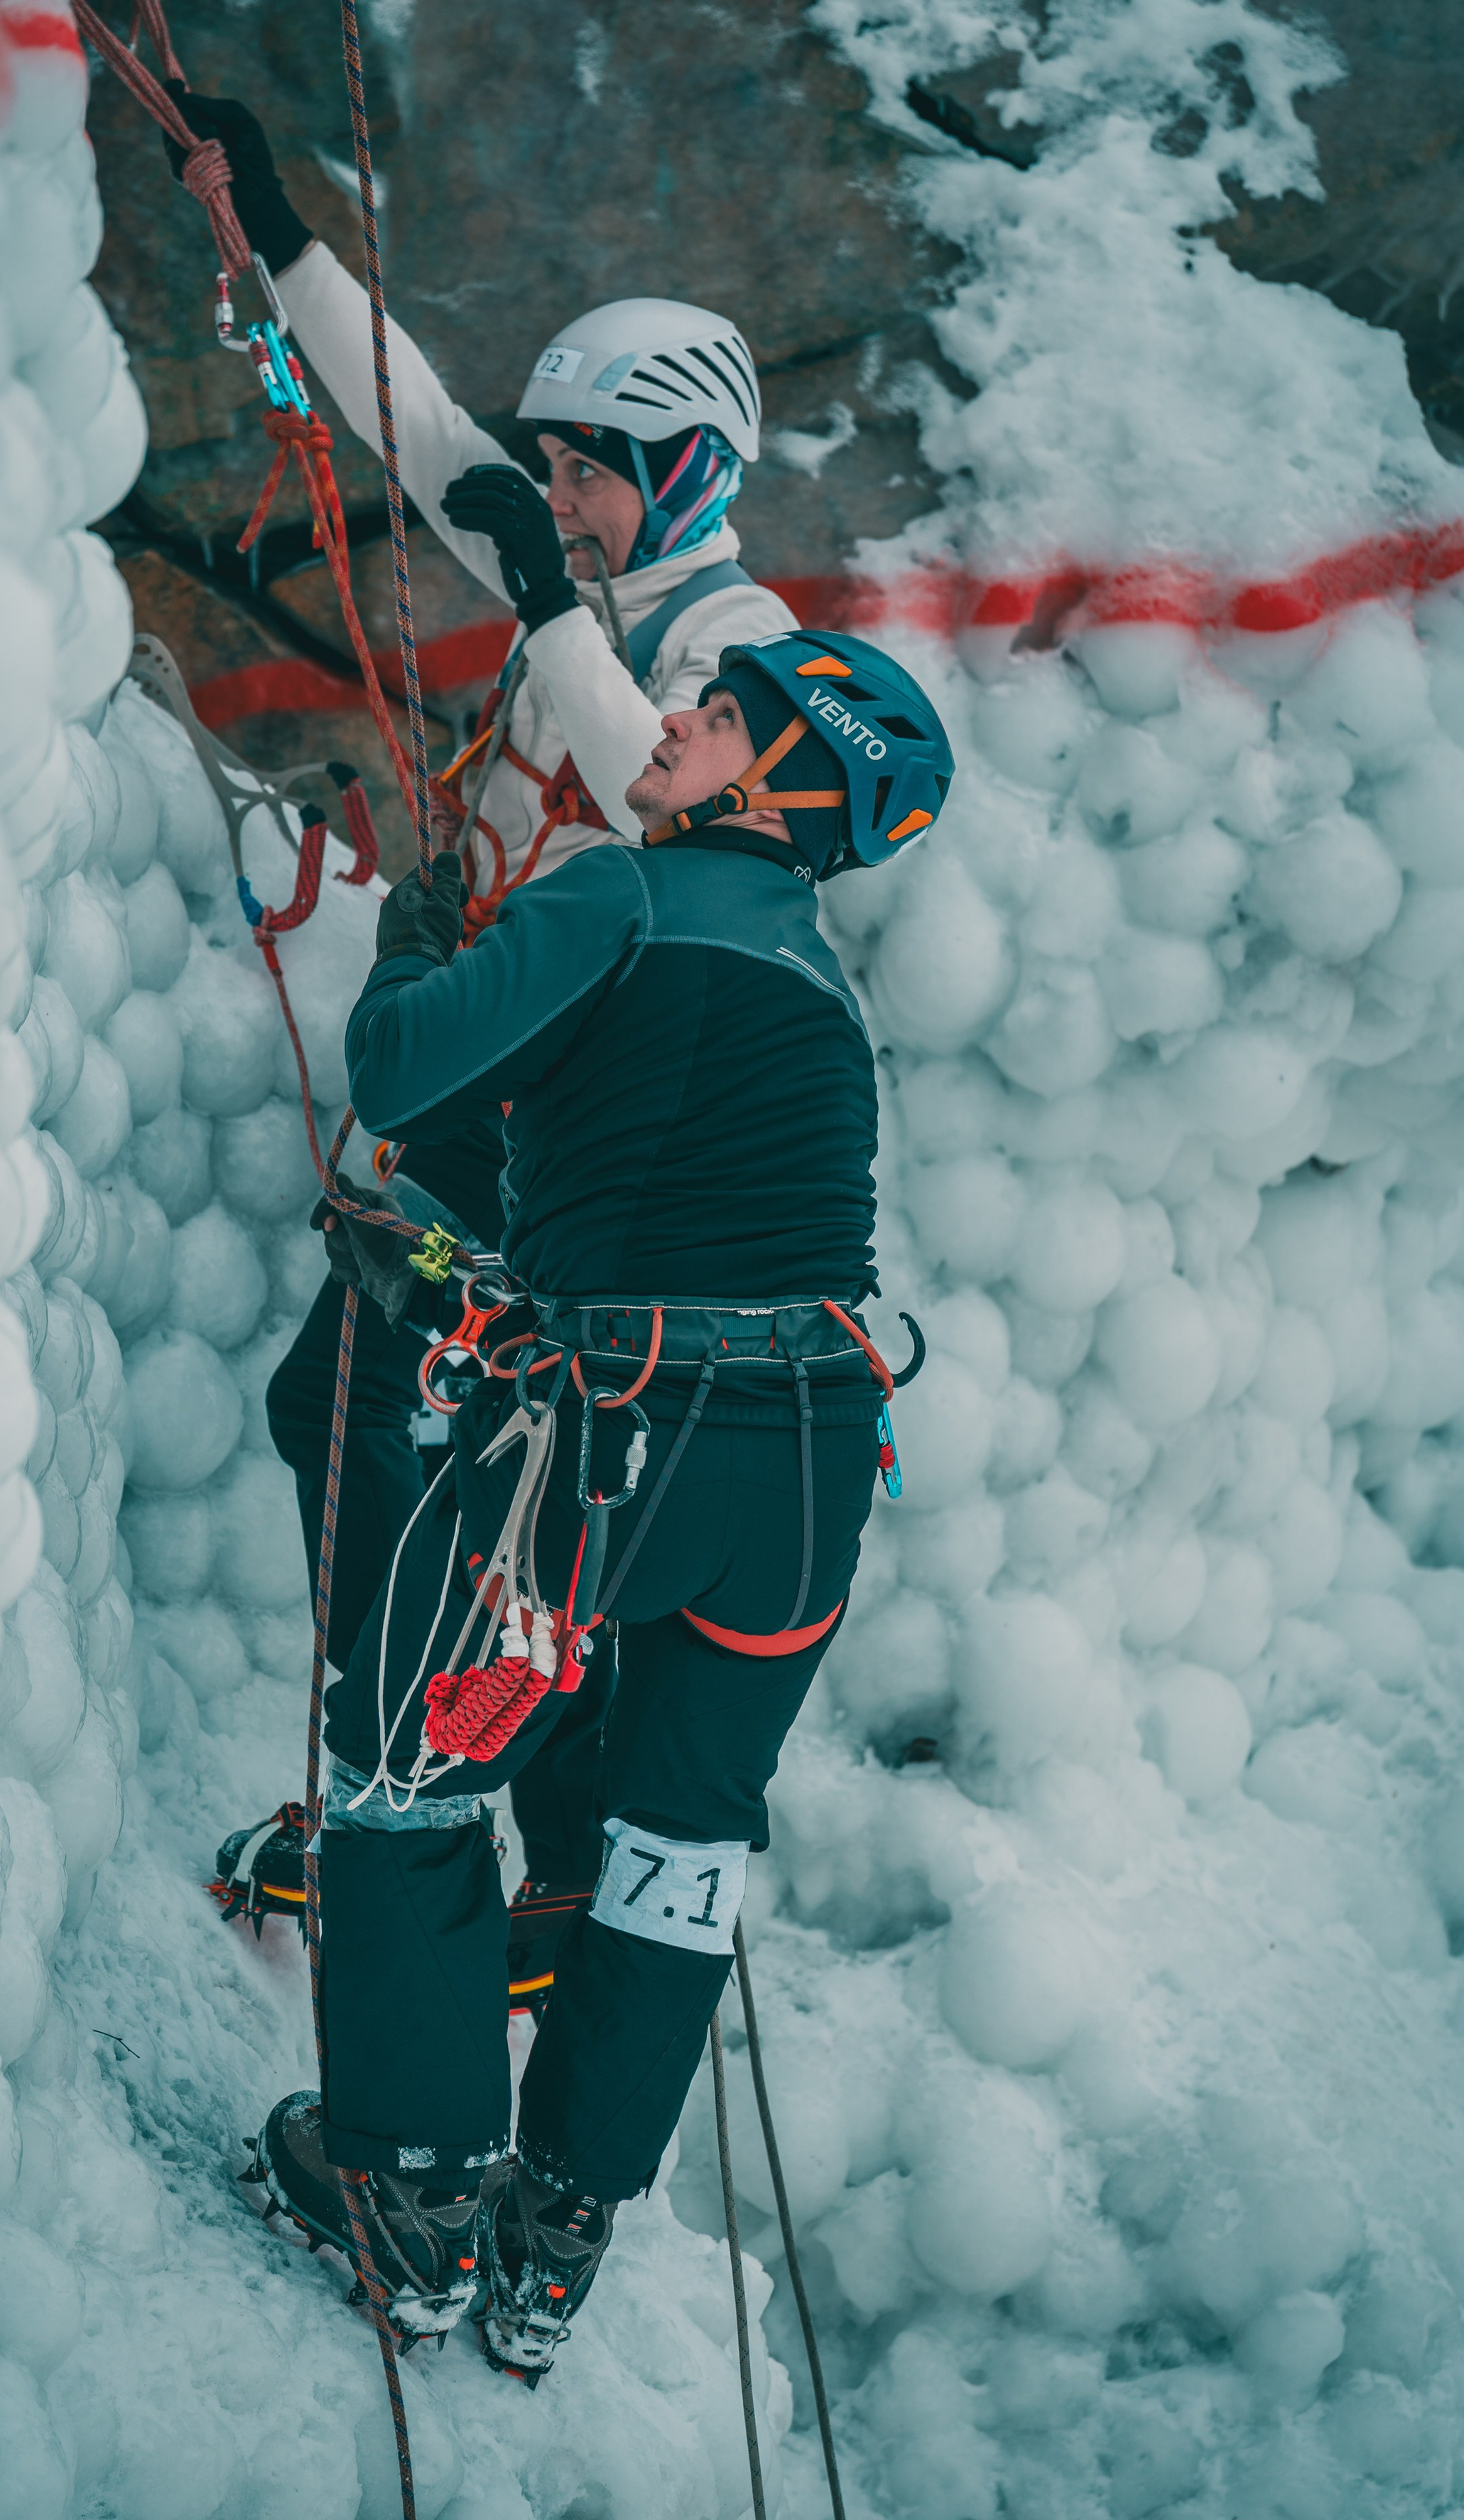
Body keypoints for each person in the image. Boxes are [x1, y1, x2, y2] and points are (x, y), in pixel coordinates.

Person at [234, 625, 953, 2379]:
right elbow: (674, 1191)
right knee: (679, 1847)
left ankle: (409, 2196)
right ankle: (555, 2234)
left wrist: (410, 955)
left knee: (404, 1774)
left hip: (612, 1449)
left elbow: (402, 1078)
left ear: (777, 778)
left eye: (718, 716)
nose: (677, 722)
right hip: (804, 1472)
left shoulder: (624, 893)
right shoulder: (814, 980)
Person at [166, 88, 802, 1953]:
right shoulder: (579, 586)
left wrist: (539, 598)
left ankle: (460, 1833)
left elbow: (677, 808)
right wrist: (280, 230)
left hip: (586, 1129)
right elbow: (428, 430)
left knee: (494, 1471)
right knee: (384, 1429)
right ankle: (436, 1806)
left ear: (685, 470)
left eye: (593, 469)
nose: (562, 495)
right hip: (499, 1087)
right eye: (560, 467)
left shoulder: (741, 640)